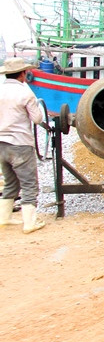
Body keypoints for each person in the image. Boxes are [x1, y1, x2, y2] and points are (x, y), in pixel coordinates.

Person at [0, 58, 46, 233]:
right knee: (29, 184)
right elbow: (37, 119)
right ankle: (29, 223)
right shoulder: (25, 94)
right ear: (23, 74)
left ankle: (4, 218)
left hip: (1, 144)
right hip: (20, 144)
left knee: (10, 182)